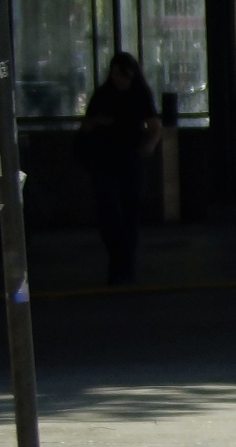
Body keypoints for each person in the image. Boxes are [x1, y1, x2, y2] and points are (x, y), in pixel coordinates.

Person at [76, 52, 161, 285]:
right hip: (105, 158)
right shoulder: (104, 94)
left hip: (128, 157)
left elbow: (154, 124)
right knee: (110, 212)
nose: (119, 80)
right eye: (115, 75)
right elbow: (85, 125)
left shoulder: (139, 94)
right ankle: (119, 262)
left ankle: (124, 264)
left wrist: (150, 144)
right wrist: (97, 123)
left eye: (123, 75)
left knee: (128, 212)